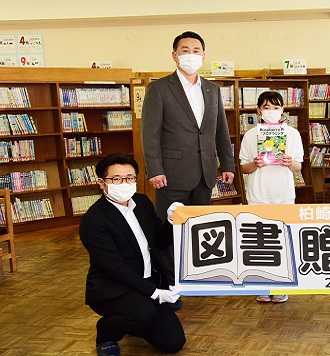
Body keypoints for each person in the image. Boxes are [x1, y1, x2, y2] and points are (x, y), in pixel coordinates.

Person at [141, 31, 235, 288]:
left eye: (196, 50)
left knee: (201, 228)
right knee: (169, 230)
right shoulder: (159, 88)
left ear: (203, 56)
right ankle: (170, 283)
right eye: (185, 50)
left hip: (205, 173)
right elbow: (149, 134)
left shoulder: (213, 90)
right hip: (170, 174)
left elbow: (220, 131)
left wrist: (227, 164)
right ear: (174, 55)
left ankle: (199, 276)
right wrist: (154, 169)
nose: (190, 55)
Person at [79, 153, 185, 356]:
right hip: (113, 287)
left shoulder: (142, 203)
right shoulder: (94, 221)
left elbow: (160, 242)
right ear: (102, 183)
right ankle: (106, 332)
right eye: (116, 179)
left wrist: (171, 222)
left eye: (130, 177)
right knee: (143, 312)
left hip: (147, 281)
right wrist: (155, 293)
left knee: (173, 342)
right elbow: (115, 268)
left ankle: (134, 321)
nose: (124, 183)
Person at [239, 90, 304, 304]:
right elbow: (244, 168)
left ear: (283, 110)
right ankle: (262, 286)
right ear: (258, 110)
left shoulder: (292, 134)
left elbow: (298, 166)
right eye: (266, 107)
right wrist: (255, 163)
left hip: (283, 194)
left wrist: (288, 162)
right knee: (259, 242)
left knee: (283, 241)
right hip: (258, 194)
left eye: (276, 107)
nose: (271, 112)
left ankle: (281, 285)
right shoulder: (251, 135)